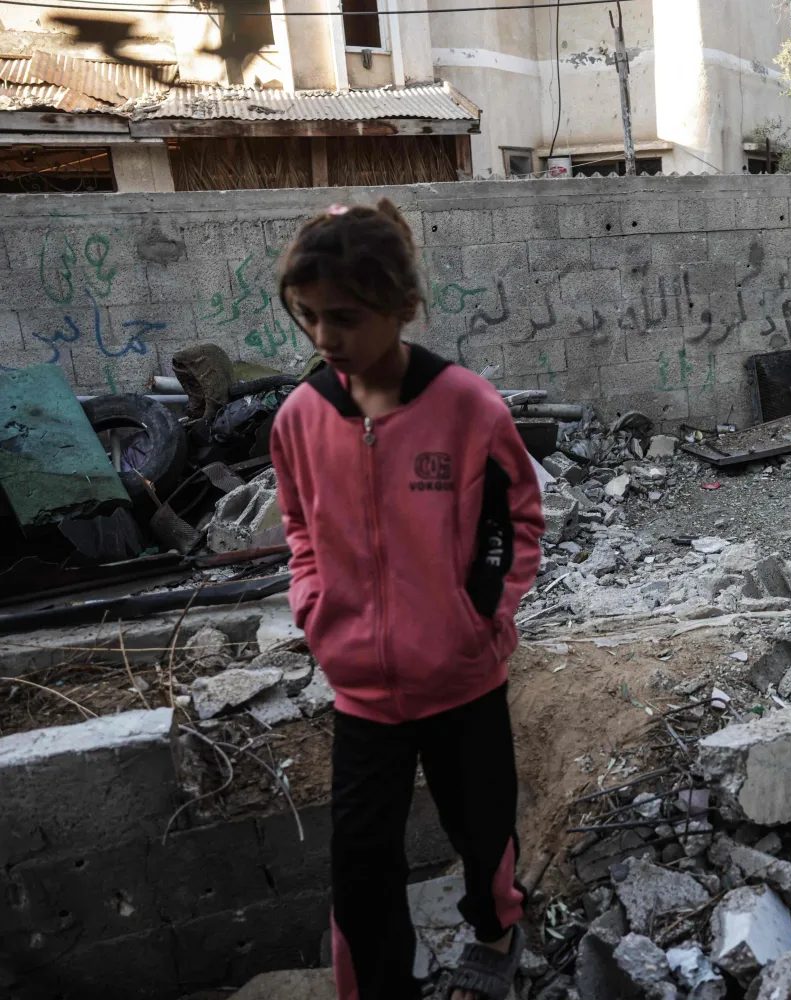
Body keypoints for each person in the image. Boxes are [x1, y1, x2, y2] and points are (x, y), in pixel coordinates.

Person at [270, 199, 544, 1000]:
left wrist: (483, 617)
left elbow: (515, 519)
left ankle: (496, 939)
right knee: (359, 866)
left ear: (400, 307)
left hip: (462, 680)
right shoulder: (298, 419)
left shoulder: (467, 408)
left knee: (482, 831)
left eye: (345, 317)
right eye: (309, 317)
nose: (324, 339)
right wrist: (314, 605)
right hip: (360, 691)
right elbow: (299, 527)